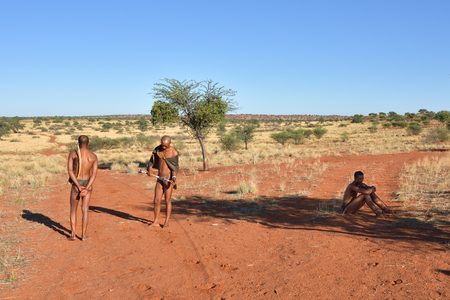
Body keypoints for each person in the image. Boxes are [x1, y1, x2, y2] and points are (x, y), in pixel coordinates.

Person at [67, 135, 98, 241]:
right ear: (88, 143)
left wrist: (78, 186)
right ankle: (83, 236)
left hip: (77, 184)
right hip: (88, 184)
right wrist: (86, 188)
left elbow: (70, 171)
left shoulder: (73, 154)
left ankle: (73, 235)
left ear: (78, 143)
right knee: (85, 210)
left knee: (73, 210)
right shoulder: (93, 156)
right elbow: (94, 174)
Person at [147, 135, 179, 228]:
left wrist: (174, 177)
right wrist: (149, 169)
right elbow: (152, 160)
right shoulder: (158, 149)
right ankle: (156, 222)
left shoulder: (173, 152)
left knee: (167, 200)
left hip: (168, 179)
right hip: (159, 178)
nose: (163, 147)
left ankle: (166, 222)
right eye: (162, 145)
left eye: (165, 146)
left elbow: (174, 166)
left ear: (170, 143)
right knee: (156, 200)